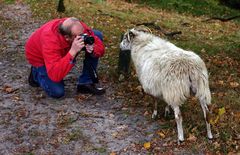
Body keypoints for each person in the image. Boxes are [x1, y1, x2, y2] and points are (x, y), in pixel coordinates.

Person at [25, 17, 106, 98]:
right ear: (67, 37)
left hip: (64, 47)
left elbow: (101, 49)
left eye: (83, 34)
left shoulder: (78, 27)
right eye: (78, 36)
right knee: (57, 92)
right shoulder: (50, 40)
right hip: (39, 58)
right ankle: (36, 73)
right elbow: (55, 75)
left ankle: (86, 83)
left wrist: (93, 49)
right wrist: (72, 52)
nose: (83, 37)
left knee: (97, 35)